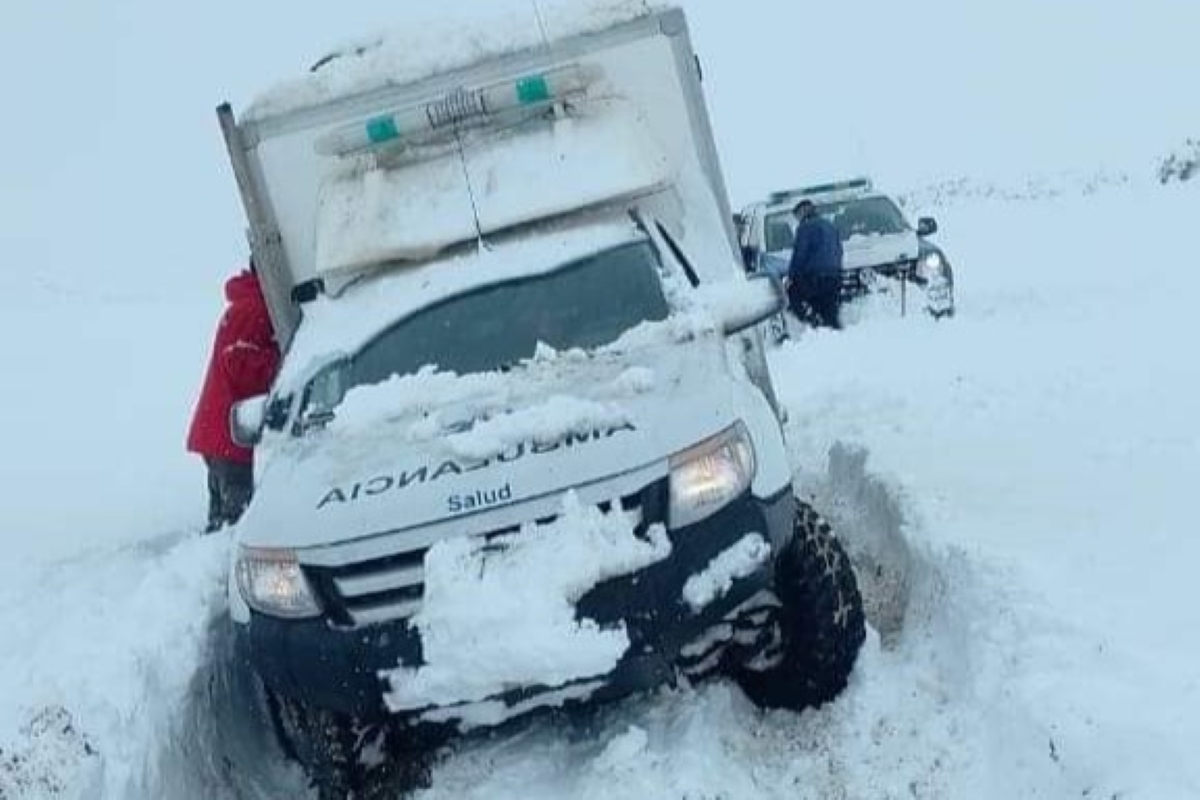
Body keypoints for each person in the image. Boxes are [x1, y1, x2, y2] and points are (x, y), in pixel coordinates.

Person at [187, 261, 281, 532]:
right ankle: (223, 572)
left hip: (219, 433)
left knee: (221, 527)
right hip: (231, 436)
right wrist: (281, 361)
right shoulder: (256, 308)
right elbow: (237, 361)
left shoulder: (248, 303)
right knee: (237, 529)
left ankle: (207, 570)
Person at [786, 199, 845, 330]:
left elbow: (799, 256)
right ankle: (837, 334)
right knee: (830, 313)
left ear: (803, 211)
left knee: (792, 294)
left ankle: (811, 321)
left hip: (814, 279)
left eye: (797, 215)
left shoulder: (804, 228)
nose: (797, 219)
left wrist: (791, 277)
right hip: (834, 277)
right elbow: (839, 251)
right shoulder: (831, 226)